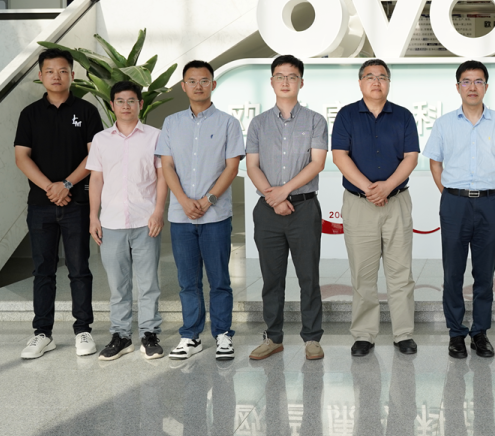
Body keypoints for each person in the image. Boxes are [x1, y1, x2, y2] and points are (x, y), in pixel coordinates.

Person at [14, 48, 104, 359]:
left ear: (72, 75)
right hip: (40, 205)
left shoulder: (87, 111)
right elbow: (21, 157)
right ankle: (42, 333)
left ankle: (83, 330)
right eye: (50, 71)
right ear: (41, 76)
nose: (57, 76)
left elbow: (95, 155)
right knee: (43, 271)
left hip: (76, 203)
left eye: (63, 71)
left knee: (79, 269)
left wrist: (65, 184)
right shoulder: (29, 114)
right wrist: (50, 188)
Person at [425, 60, 495, 359]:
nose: (472, 87)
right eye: (466, 81)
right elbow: (435, 162)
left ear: (486, 87)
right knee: (453, 272)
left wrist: (488, 181)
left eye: (478, 81)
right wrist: (450, 193)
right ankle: (456, 333)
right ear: (458, 87)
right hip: (455, 202)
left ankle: (479, 333)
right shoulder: (444, 123)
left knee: (484, 273)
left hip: (489, 203)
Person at [157, 60, 245, 361]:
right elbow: (166, 165)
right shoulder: (171, 123)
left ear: (213, 85)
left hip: (216, 216)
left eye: (204, 80)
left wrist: (208, 200)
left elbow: (232, 167)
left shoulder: (228, 123)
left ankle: (222, 334)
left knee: (219, 279)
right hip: (181, 216)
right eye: (192, 81)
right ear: (184, 86)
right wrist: (183, 200)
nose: (198, 86)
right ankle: (190, 336)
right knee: (187, 281)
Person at [332, 59, 420, 357]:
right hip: (359, 204)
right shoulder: (346, 115)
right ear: (360, 82)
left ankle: (403, 333)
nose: (376, 81)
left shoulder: (404, 116)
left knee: (401, 273)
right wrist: (371, 189)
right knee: (363, 273)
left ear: (389, 83)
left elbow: (411, 157)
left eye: (382, 76)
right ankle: (364, 335)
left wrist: (386, 187)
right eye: (369, 76)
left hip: (397, 202)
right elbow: (340, 156)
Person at [245, 55, 328, 361]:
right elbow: (252, 166)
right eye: (279, 76)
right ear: (271, 81)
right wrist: (274, 198)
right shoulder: (258, 123)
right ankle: (273, 337)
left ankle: (312, 338)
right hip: (268, 211)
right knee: (271, 278)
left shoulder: (315, 120)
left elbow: (317, 163)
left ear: (301, 82)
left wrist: (284, 192)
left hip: (304, 208)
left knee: (308, 276)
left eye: (292, 76)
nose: (285, 81)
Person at [86, 81, 168, 361]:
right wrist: (93, 216)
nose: (125, 106)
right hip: (110, 223)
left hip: (146, 221)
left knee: (148, 283)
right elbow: (96, 179)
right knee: (118, 285)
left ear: (140, 104)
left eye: (131, 100)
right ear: (112, 105)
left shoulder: (155, 136)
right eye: (120, 101)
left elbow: (162, 177)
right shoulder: (101, 139)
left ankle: (149, 335)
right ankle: (121, 337)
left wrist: (158, 211)